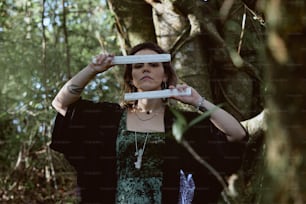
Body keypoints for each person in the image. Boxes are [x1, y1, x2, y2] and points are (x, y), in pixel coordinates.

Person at [50, 42, 247, 204]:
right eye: (138, 65)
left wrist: (198, 101)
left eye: (153, 64)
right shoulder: (107, 118)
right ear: (131, 78)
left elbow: (236, 134)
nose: (146, 68)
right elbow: (61, 103)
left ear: (165, 75)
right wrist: (92, 69)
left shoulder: (183, 124)